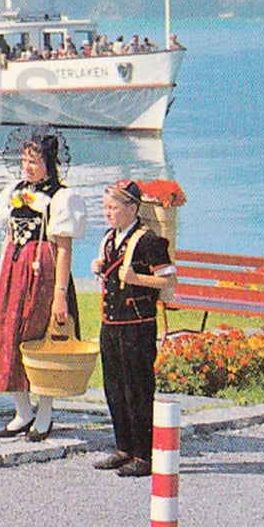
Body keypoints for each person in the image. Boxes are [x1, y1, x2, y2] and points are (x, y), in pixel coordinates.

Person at [0, 127, 87, 440]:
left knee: (43, 339)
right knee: (9, 337)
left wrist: (60, 295)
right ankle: (22, 411)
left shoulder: (61, 197)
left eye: (34, 161)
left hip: (44, 271)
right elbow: (7, 238)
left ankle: (45, 413)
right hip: (15, 271)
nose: (27, 167)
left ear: (49, 163)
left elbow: (64, 247)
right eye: (24, 160)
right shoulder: (13, 192)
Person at [91, 180, 176, 478]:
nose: (108, 213)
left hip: (137, 326)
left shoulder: (150, 241)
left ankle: (144, 453)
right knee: (114, 387)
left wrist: (137, 279)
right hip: (111, 324)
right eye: (106, 208)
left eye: (113, 208)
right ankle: (123, 447)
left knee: (137, 389)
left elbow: (169, 281)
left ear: (132, 209)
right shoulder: (108, 238)